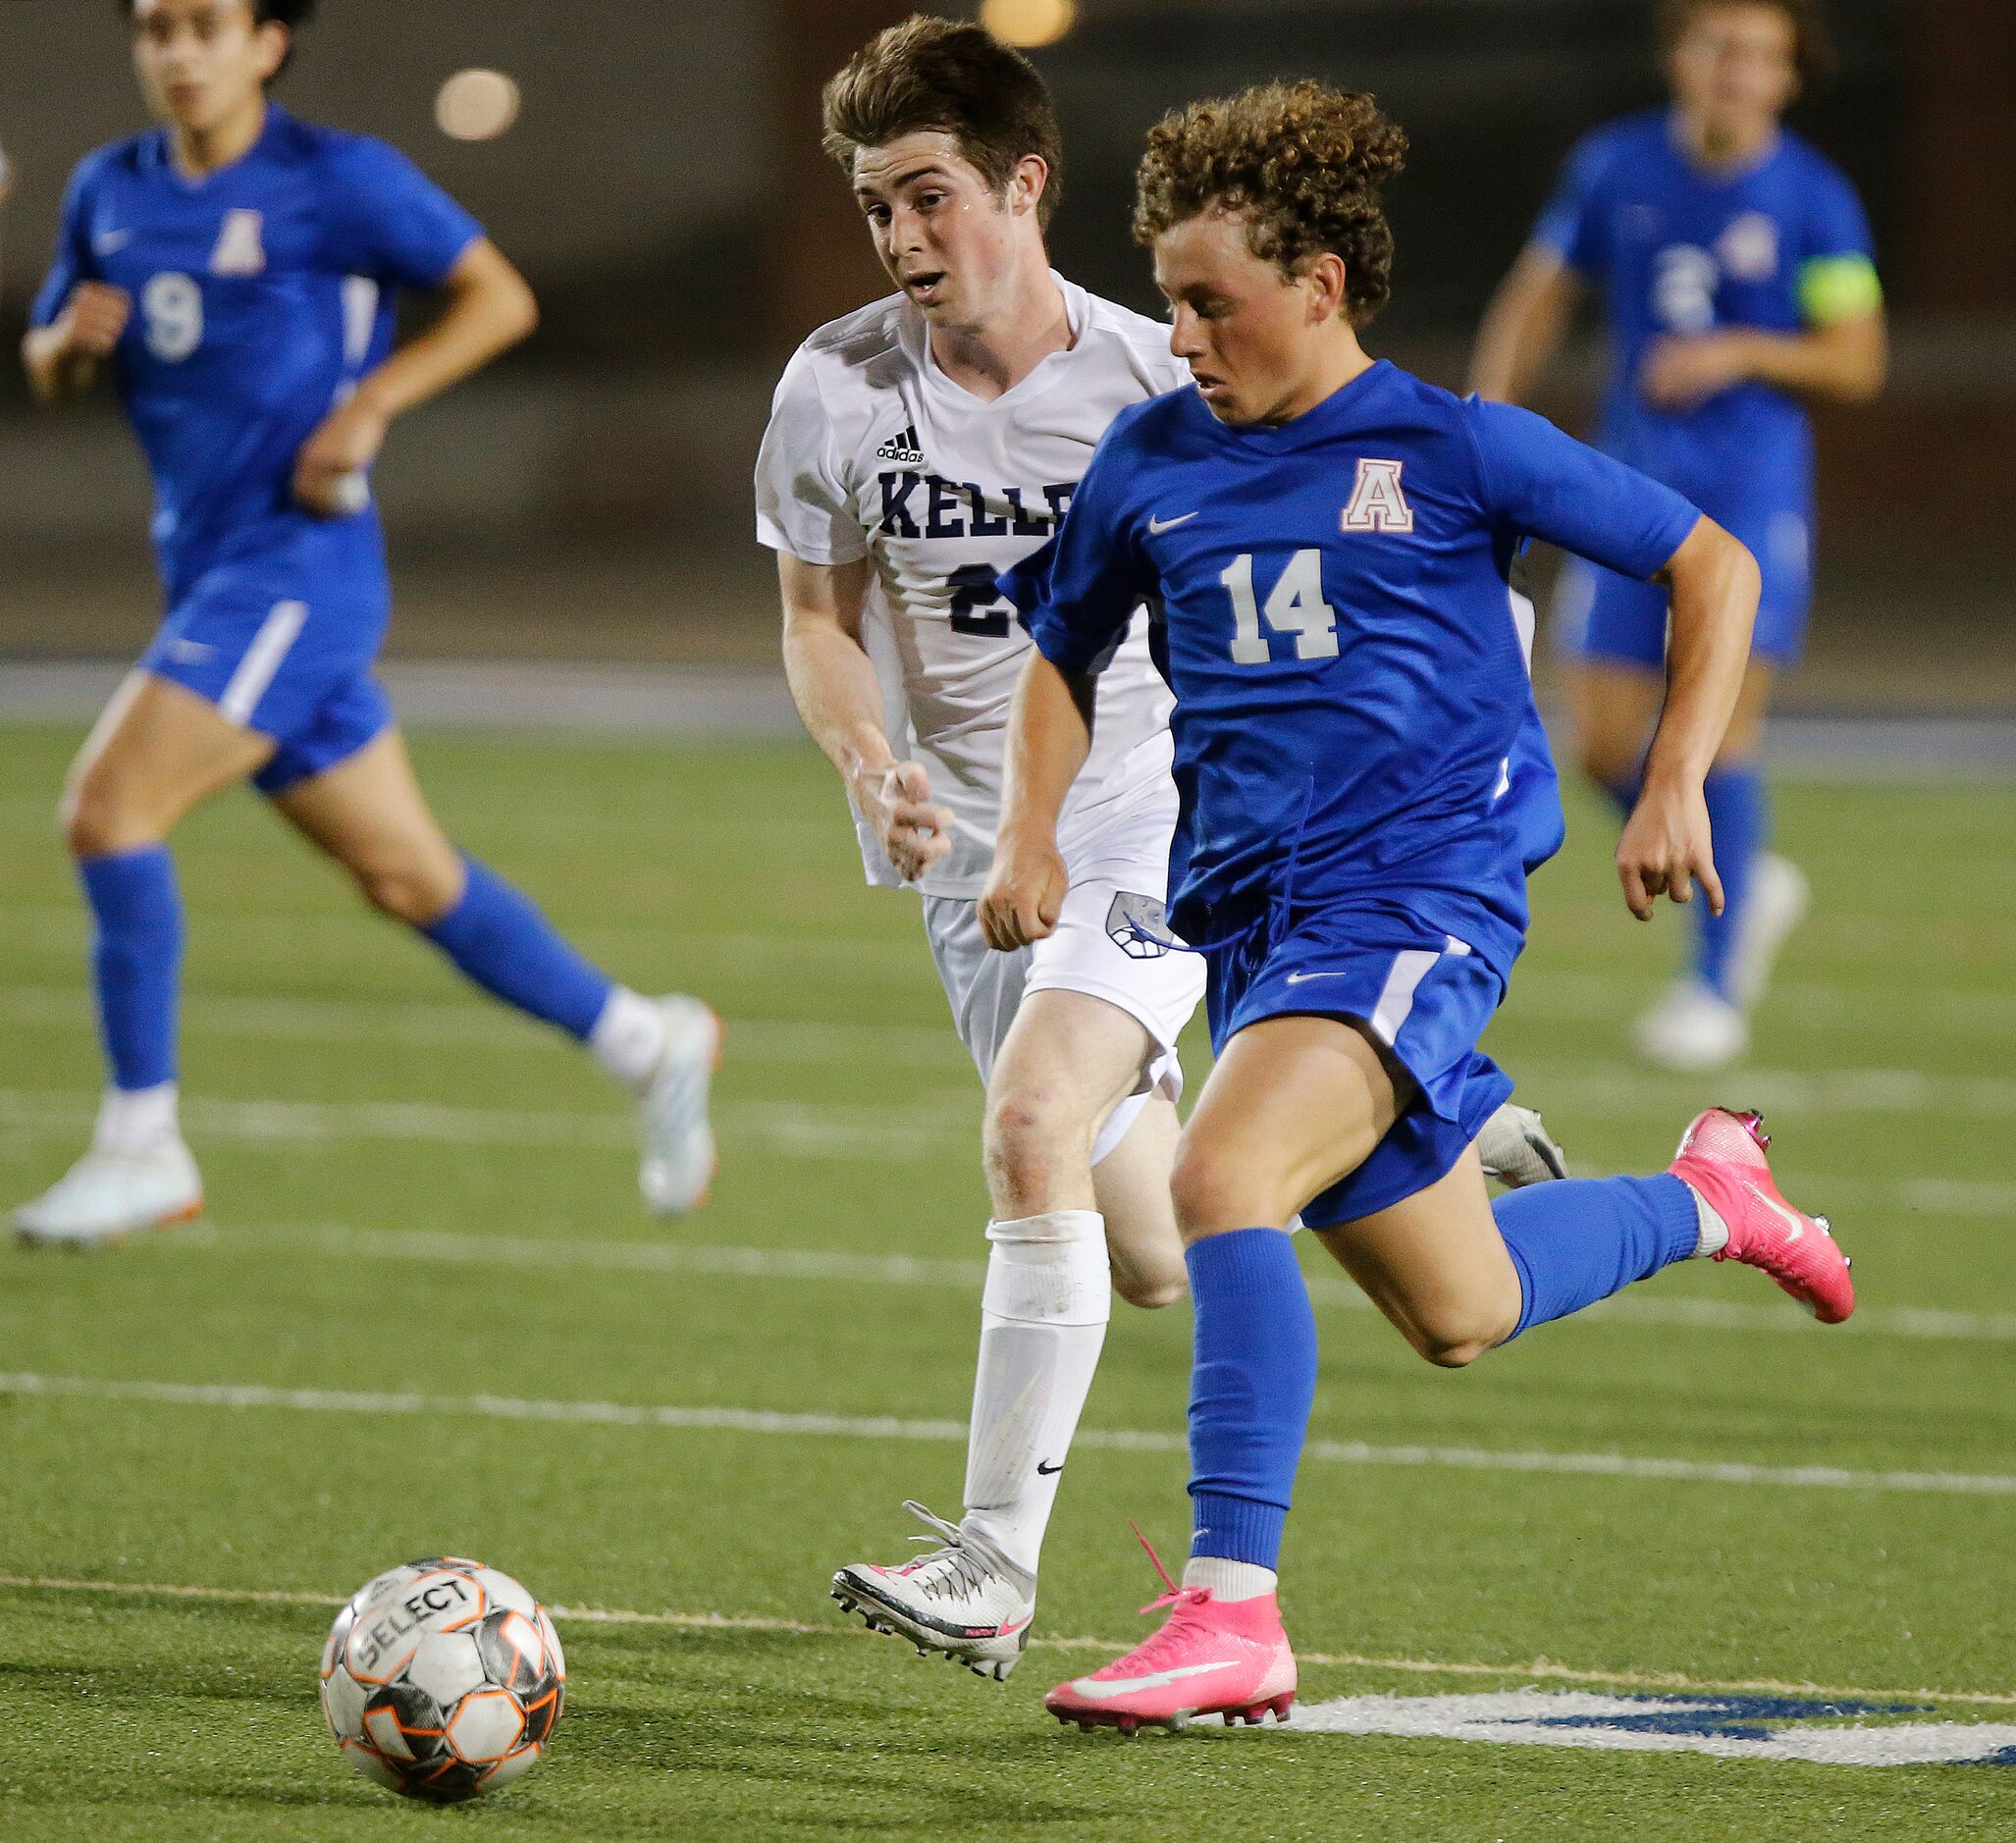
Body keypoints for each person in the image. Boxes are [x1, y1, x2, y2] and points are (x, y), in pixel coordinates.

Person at [981, 79, 1854, 1734]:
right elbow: (1054, 647)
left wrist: (1670, 775)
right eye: (1165, 299)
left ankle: (1229, 1606)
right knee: (1457, 1306)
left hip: (1414, 895)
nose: (1176, 336)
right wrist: (1029, 830)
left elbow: (1709, 565)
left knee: (1216, 1171)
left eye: (1207, 301)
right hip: (1253, 929)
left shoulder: (1444, 444)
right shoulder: (1149, 457)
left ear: (1315, 286)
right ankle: (1711, 1194)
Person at [758, 18, 1565, 1682]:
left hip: (1148, 815)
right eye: (871, 210)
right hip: (969, 856)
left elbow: (1411, 555)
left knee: (1028, 1123)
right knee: (1140, 1258)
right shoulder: (832, 386)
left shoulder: (1157, 375)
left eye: (925, 197)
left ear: (1022, 185)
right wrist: (866, 755)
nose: (899, 239)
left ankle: (992, 1564)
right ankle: (1420, 1102)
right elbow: (814, 618)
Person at [15, 0, 718, 1246]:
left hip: (299, 570)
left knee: (107, 809)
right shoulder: (109, 188)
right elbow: (50, 360)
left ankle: (143, 1145)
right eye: (156, 28)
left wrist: (372, 403)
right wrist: (67, 346)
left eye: (206, 26)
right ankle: (646, 1039)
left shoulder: (333, 179)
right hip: (207, 569)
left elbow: (497, 297)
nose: (178, 52)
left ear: (268, 44)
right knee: (406, 876)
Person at [1470, 0, 1885, 1070]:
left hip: (1749, 507)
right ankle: (1745, 879)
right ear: (1679, 60)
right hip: (1631, 501)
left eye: (1758, 55)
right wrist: (1477, 427)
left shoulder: (1812, 198)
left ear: (1788, 78)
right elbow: (1536, 295)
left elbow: (1853, 358)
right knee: (1605, 743)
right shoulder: (1614, 167)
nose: (1733, 70)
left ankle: (1711, 983)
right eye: (1715, 47)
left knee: (1709, 741)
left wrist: (1743, 351)